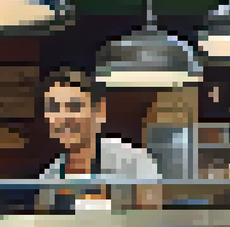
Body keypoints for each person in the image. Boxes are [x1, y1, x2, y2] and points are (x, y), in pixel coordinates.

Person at [37, 68, 162, 213]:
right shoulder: (51, 174)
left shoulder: (134, 162)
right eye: (54, 108)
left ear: (99, 112)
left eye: (75, 107)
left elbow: (151, 225)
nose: (63, 118)